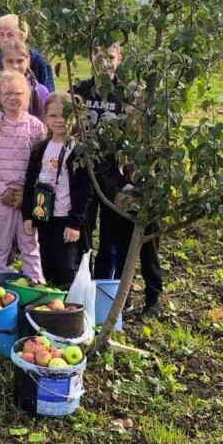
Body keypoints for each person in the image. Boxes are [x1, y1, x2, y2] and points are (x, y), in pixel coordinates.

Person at [75, 41, 164, 319]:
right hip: (103, 183)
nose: (104, 62)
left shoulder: (155, 137)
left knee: (147, 250)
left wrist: (147, 192)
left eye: (110, 57)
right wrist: (116, 192)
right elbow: (109, 163)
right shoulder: (83, 94)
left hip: (143, 195)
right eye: (98, 57)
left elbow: (162, 168)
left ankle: (153, 298)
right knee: (111, 242)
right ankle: (109, 293)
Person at [0, 71, 46, 281]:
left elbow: (42, 166)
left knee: (29, 243)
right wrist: (2, 190)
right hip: (0, 196)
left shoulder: (36, 127)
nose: (12, 98)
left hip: (28, 198)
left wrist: (27, 194)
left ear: (27, 95)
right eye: (7, 93)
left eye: (18, 93)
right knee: (0, 244)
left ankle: (35, 287)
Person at [22, 93, 92, 289]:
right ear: (45, 118)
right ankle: (53, 312)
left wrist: (74, 223)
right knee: (48, 265)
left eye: (65, 115)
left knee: (68, 269)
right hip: (45, 218)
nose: (59, 120)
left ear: (75, 117)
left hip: (67, 220)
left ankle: (72, 311)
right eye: (53, 116)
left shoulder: (78, 150)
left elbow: (85, 191)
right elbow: (30, 182)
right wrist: (28, 214)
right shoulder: (40, 149)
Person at [0, 14, 55, 91]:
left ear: (21, 36)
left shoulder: (38, 61)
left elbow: (48, 96)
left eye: (10, 35)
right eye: (1, 35)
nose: (5, 39)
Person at [2, 39, 48, 120]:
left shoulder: (40, 91)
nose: (15, 66)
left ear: (28, 61)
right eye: (10, 61)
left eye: (20, 61)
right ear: (3, 62)